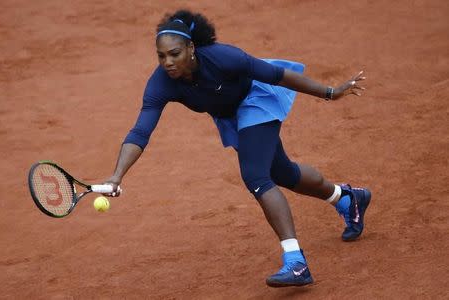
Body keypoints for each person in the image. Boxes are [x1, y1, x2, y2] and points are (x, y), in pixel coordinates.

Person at [103, 10, 371, 288]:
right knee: (283, 173)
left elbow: (277, 75)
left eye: (174, 53)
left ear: (191, 48)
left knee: (255, 176)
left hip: (256, 99)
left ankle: (296, 262)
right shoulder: (161, 82)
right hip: (231, 116)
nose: (168, 62)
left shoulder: (223, 57)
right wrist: (117, 175)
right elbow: (141, 131)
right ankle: (347, 198)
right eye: (161, 56)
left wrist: (329, 92)